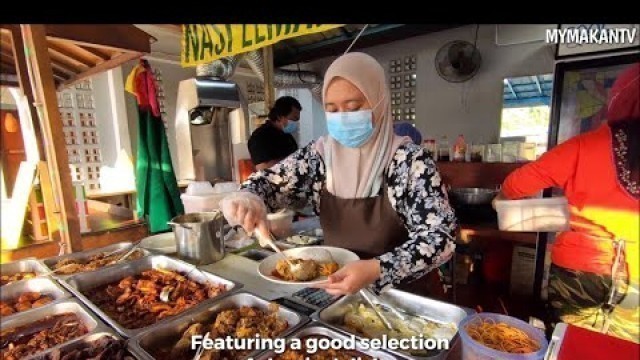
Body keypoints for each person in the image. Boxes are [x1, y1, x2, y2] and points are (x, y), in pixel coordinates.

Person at [222, 52, 456, 296]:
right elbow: (269, 183)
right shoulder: (319, 156)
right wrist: (248, 198)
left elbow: (440, 238)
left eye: (354, 107)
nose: (343, 117)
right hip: (340, 294)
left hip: (405, 299)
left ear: (380, 102)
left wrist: (378, 269)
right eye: (332, 109)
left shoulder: (410, 162)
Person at [495, 63, 639, 343]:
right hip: (636, 277)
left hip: (579, 272)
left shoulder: (587, 144)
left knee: (572, 341)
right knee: (622, 348)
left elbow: (517, 183)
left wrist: (499, 201)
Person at [248, 96, 301, 171]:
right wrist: (295, 161)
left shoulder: (287, 137)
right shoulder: (259, 137)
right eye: (294, 119)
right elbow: (263, 169)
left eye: (297, 120)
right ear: (280, 117)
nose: (296, 123)